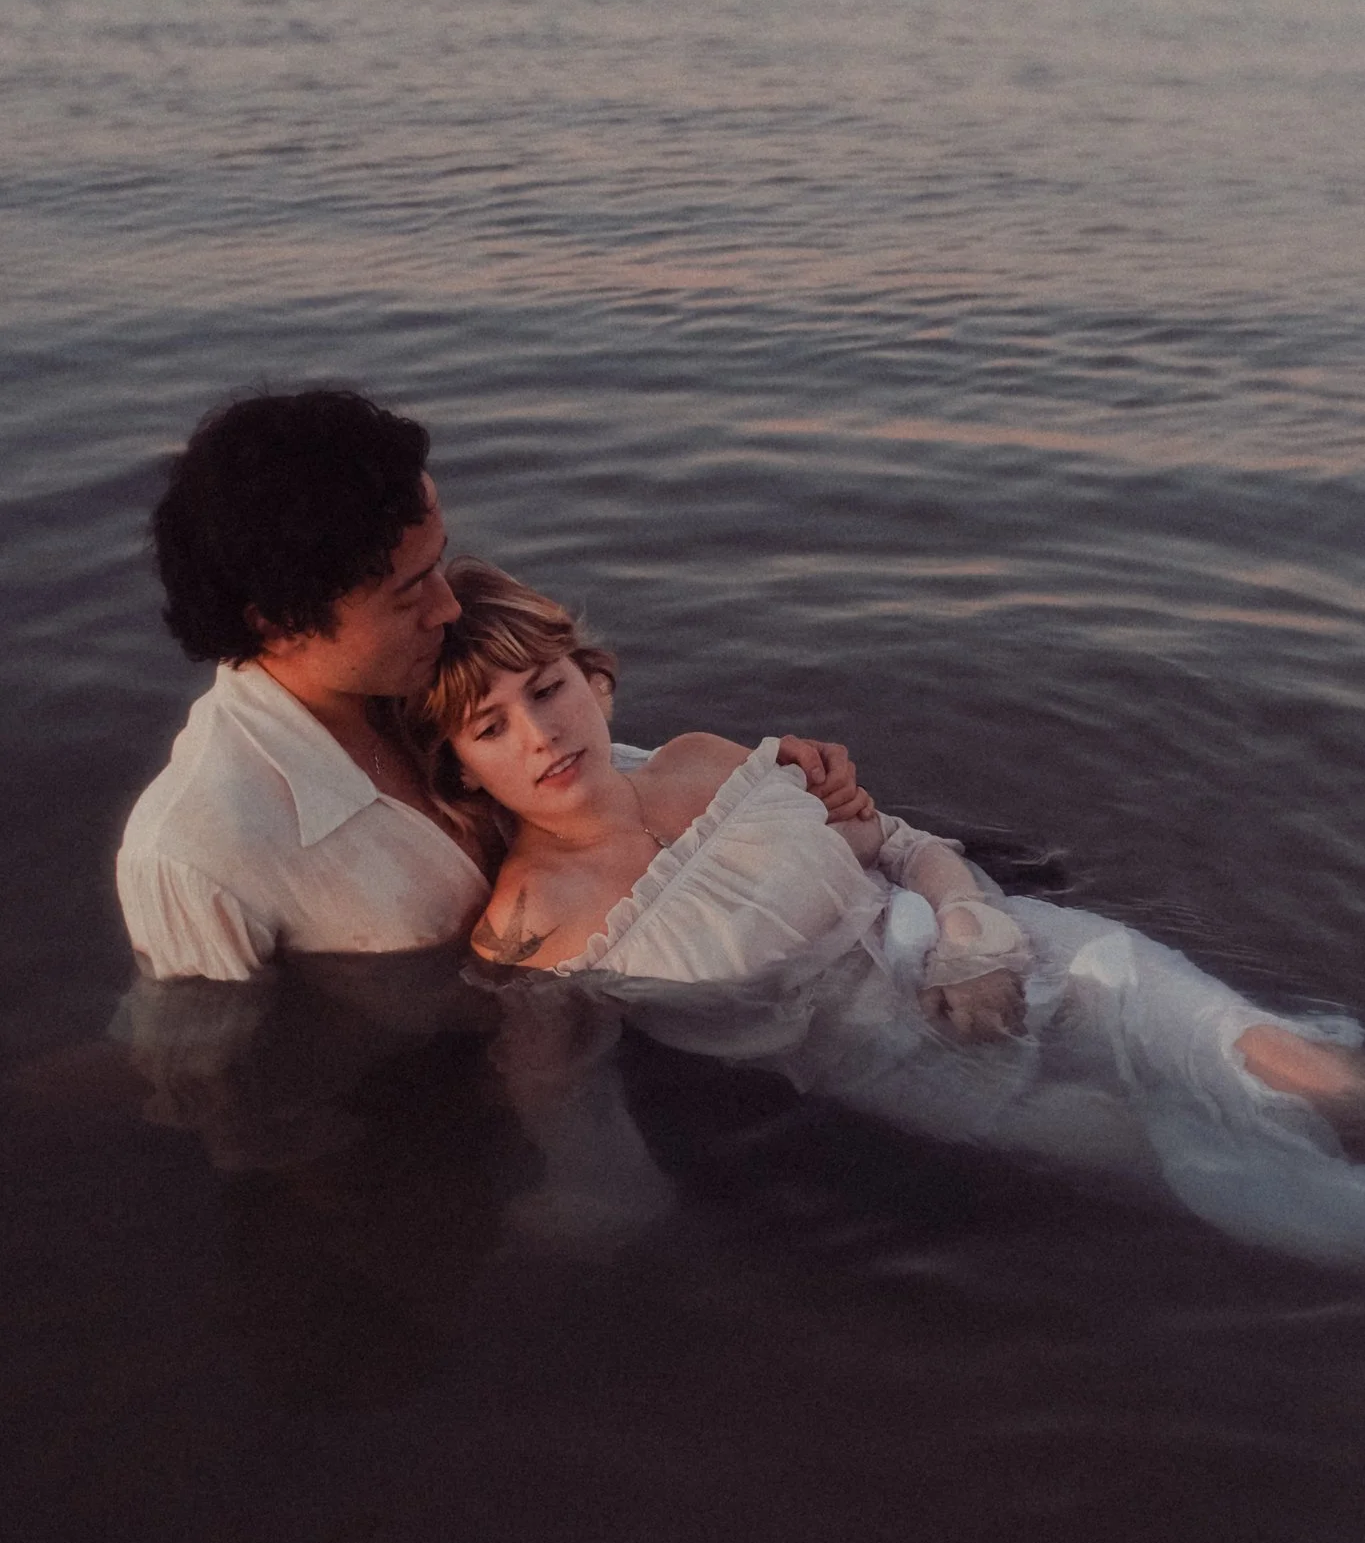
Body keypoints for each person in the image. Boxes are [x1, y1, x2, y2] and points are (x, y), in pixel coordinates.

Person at [405, 560, 1365, 1269]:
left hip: (1014, 950)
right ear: (460, 767)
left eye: (548, 689)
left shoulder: (698, 760)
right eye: (492, 727)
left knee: (1286, 1066)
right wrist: (588, 1199)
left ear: (594, 680)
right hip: (915, 1067)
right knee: (1188, 1163)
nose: (542, 734)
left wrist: (968, 934)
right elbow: (565, 1098)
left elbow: (898, 847)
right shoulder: (527, 929)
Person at [116, 388, 868, 981]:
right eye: (410, 592)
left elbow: (583, 782)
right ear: (282, 624)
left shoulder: (417, 669)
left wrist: (771, 793)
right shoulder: (197, 850)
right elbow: (217, 1078)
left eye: (440, 565)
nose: (446, 606)